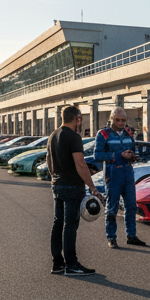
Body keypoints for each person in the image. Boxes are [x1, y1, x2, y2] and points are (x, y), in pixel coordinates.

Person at [46, 104, 102, 276]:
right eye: (81, 117)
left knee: (58, 223)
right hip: (71, 186)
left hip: (57, 184)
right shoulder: (73, 137)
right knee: (70, 225)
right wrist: (92, 187)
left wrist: (54, 177)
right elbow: (80, 164)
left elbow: (48, 160)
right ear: (77, 119)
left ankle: (58, 264)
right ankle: (71, 264)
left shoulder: (53, 135)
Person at [94, 108, 148, 249]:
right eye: (117, 120)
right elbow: (97, 156)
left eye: (123, 120)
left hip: (128, 173)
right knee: (112, 208)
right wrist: (118, 155)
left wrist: (133, 156)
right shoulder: (103, 134)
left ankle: (131, 235)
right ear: (111, 119)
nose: (120, 122)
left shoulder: (128, 132)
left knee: (131, 206)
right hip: (113, 175)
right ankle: (111, 237)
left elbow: (133, 150)